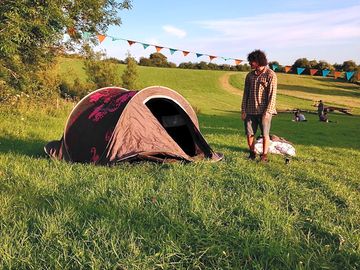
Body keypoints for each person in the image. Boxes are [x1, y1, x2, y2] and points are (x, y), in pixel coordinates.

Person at [241, 49, 277, 162]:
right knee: (249, 133)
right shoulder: (249, 76)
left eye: (252, 61)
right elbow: (245, 93)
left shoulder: (270, 74)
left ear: (259, 61)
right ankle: (252, 154)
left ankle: (264, 156)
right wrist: (243, 110)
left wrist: (268, 112)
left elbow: (272, 95)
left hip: (264, 111)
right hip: (250, 110)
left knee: (265, 134)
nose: (250, 63)